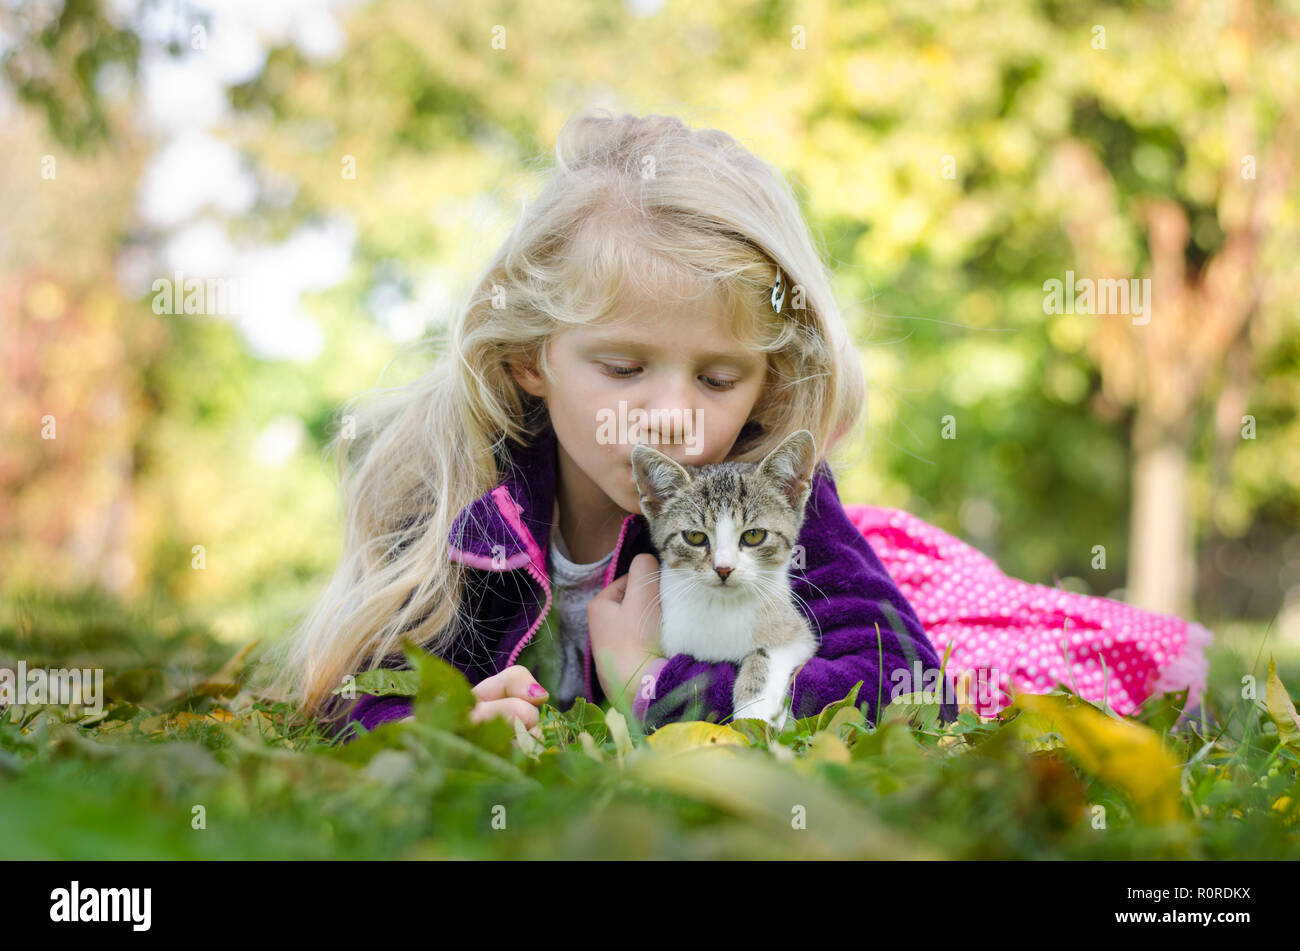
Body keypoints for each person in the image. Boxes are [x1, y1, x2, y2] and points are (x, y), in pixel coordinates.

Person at [260, 111, 1209, 744]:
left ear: (765, 383)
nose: (673, 413)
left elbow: (906, 684)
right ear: (529, 358)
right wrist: (439, 724)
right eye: (624, 367)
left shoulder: (755, 480)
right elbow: (352, 689)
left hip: (842, 573)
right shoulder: (466, 496)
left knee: (997, 668)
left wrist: (657, 681)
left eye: (718, 377)